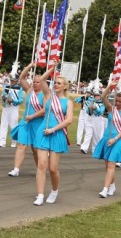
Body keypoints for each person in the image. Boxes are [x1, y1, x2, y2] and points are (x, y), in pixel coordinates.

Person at [32, 65, 73, 205]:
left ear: (65, 87)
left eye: (59, 83)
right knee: (41, 165)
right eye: (55, 82)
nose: (56, 85)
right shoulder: (49, 95)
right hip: (43, 132)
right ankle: (40, 195)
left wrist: (54, 129)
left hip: (56, 133)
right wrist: (53, 67)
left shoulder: (68, 102)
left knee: (53, 168)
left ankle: (54, 191)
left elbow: (69, 120)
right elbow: (42, 79)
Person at [93, 80, 121, 198]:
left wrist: (115, 139)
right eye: (117, 101)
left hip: (117, 140)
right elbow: (103, 97)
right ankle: (112, 185)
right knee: (107, 165)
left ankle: (105, 189)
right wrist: (110, 86)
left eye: (120, 101)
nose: (118, 103)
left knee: (111, 165)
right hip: (106, 138)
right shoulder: (111, 109)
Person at [7, 61, 45, 177]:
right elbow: (22, 78)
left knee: (35, 148)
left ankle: (40, 169)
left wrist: (33, 116)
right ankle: (16, 169)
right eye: (34, 81)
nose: (35, 84)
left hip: (37, 123)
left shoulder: (45, 94)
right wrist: (29, 66)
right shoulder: (29, 90)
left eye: (38, 82)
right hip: (25, 122)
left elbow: (45, 110)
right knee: (21, 144)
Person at [0, 74, 24, 148]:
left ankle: (14, 141)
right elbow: (3, 95)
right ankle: (2, 141)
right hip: (6, 107)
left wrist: (13, 100)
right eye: (11, 80)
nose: (12, 82)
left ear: (17, 81)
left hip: (14, 107)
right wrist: (4, 98)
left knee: (14, 124)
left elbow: (21, 100)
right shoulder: (6, 87)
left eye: (14, 81)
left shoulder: (20, 88)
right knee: (3, 123)